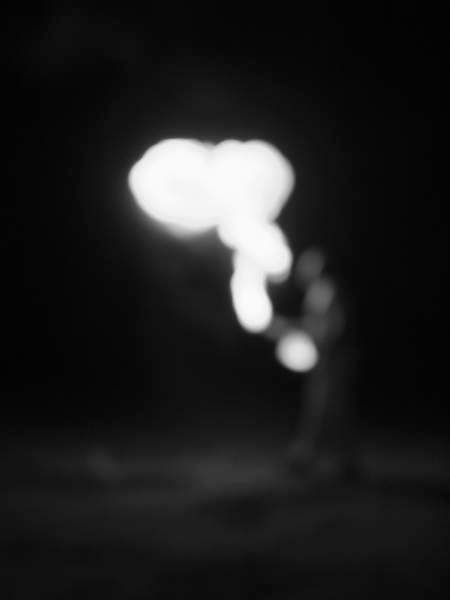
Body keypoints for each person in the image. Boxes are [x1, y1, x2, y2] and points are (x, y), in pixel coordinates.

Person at [268, 247, 359, 480]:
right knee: (319, 408)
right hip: (324, 360)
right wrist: (288, 327)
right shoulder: (317, 291)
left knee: (331, 409)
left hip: (335, 360)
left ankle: (333, 460)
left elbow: (334, 326)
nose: (302, 270)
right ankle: (311, 457)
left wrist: (294, 330)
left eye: (307, 265)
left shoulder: (328, 289)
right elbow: (313, 324)